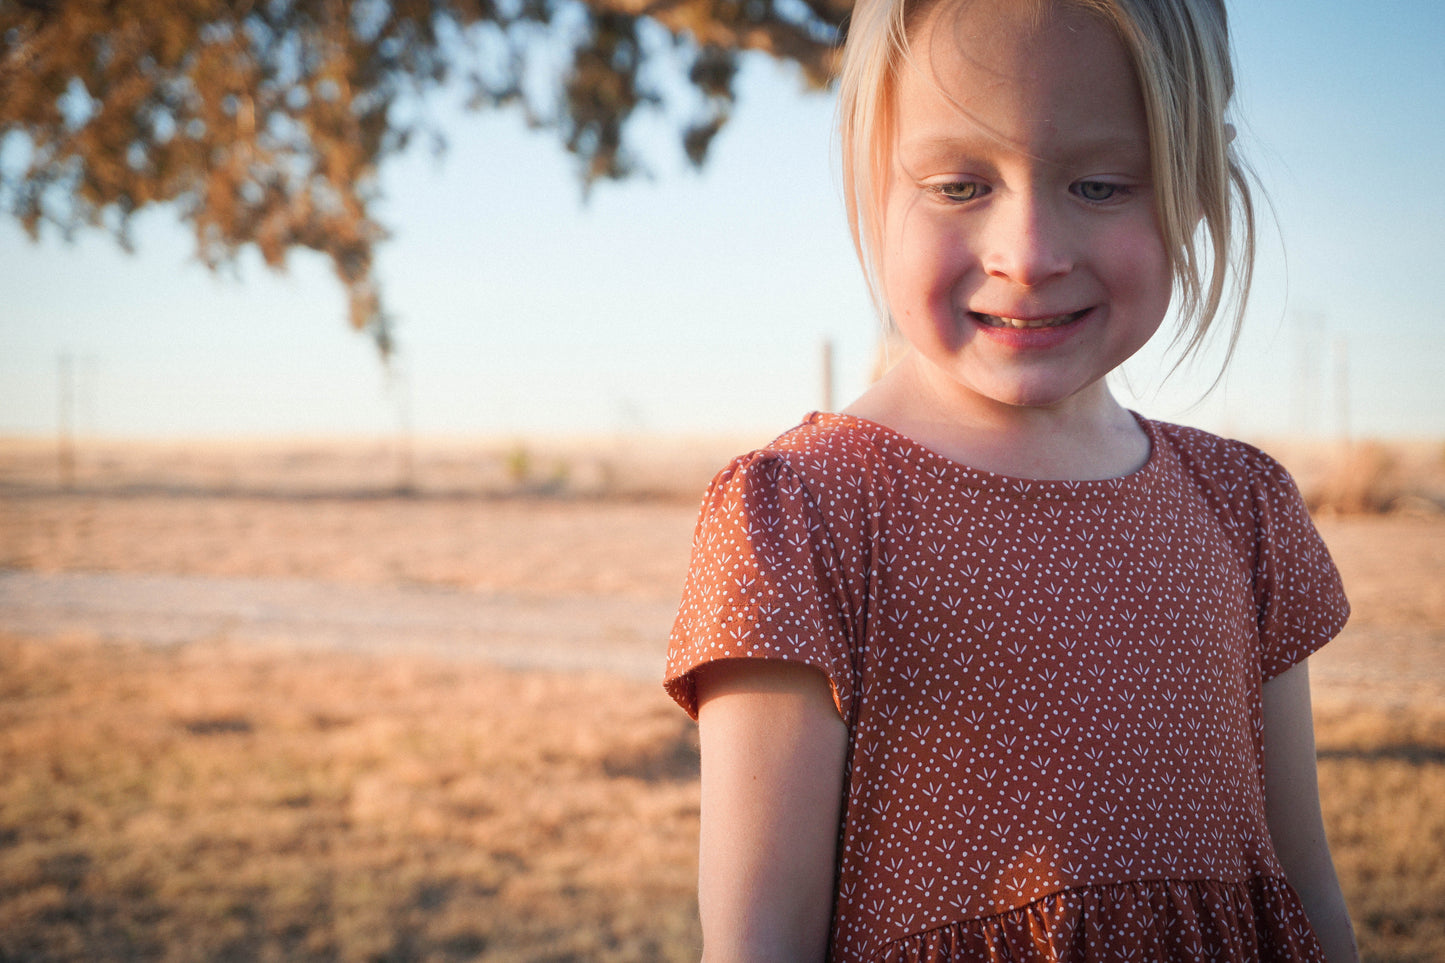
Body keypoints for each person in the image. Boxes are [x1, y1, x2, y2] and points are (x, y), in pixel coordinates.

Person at [664, 0, 1360, 959]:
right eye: (957, 184)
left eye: (1102, 185)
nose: (1027, 255)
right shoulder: (805, 514)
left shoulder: (1240, 508)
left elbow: (1305, 888)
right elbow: (758, 942)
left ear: (1195, 186)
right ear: (872, 181)